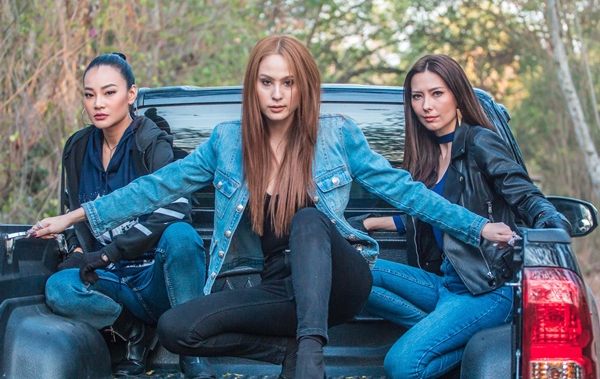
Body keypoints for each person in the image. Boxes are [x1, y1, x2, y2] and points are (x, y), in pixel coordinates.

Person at [33, 37, 515, 379]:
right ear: (254, 86)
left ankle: (309, 358)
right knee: (177, 328)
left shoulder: (337, 135)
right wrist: (75, 217)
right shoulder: (227, 143)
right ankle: (286, 352)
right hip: (278, 285)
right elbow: (155, 187)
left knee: (309, 219)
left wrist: (477, 227)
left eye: (288, 82)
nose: (278, 94)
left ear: (303, 86)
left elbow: (408, 193)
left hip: (340, 282)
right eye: (267, 82)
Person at [354, 54, 570, 379]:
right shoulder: (427, 156)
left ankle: (444, 340)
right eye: (417, 96)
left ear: (457, 95)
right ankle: (444, 333)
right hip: (447, 282)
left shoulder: (480, 142)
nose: (426, 105)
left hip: (486, 289)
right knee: (353, 270)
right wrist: (370, 223)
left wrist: (552, 227)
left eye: (437, 93)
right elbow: (430, 215)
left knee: (402, 364)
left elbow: (525, 195)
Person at [40, 53, 215, 378]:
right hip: (109, 279)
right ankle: (135, 333)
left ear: (131, 94)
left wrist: (110, 252)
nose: (98, 103)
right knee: (60, 288)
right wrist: (75, 246)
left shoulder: (150, 142)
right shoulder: (77, 148)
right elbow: (71, 211)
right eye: (90, 94)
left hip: (156, 278)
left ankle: (191, 352)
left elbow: (176, 208)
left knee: (181, 236)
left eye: (109, 92)